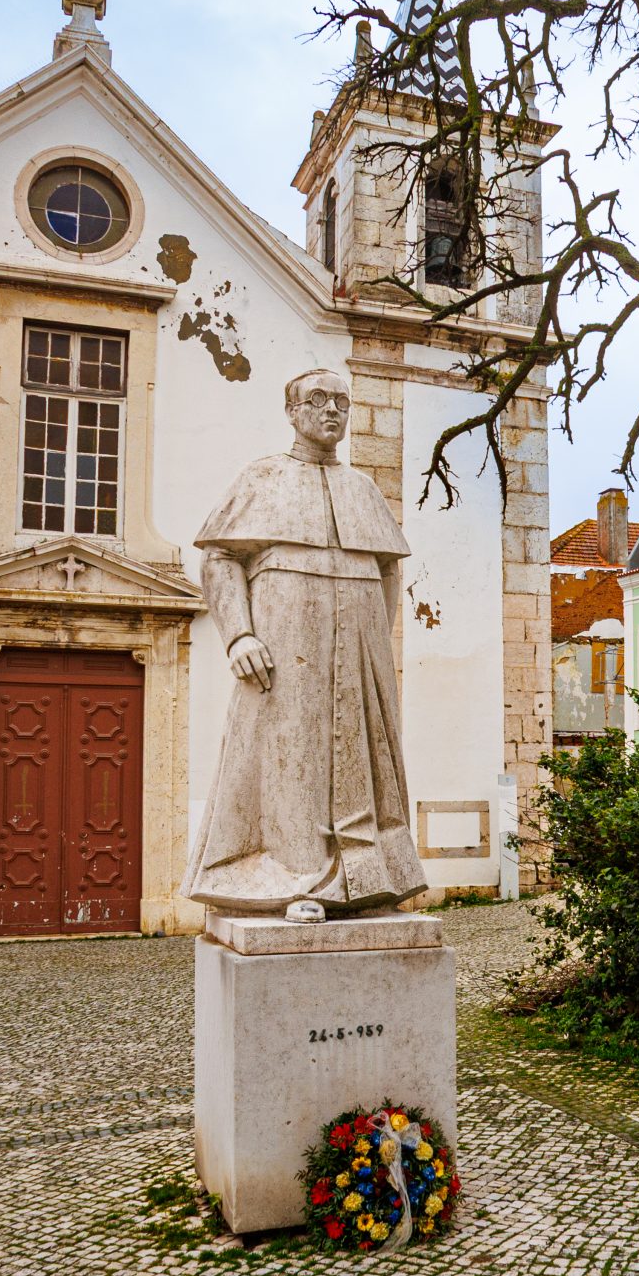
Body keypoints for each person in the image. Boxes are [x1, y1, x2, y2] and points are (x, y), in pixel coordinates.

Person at [181, 369, 429, 914]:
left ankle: (368, 882)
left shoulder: (363, 489)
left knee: (362, 757)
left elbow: (387, 569)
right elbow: (221, 557)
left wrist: (372, 639)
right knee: (289, 755)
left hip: (359, 646)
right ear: (292, 412)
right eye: (317, 399)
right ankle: (293, 879)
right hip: (284, 640)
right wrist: (239, 635)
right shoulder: (262, 477)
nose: (331, 410)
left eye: (341, 401)